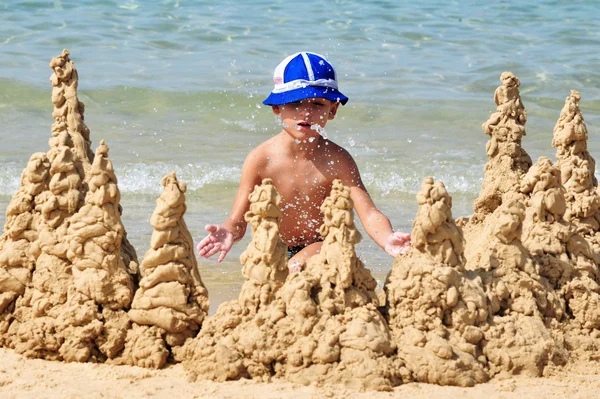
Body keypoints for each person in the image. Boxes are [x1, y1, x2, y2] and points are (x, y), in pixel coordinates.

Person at [197, 51, 411, 272]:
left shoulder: (337, 160)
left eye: (317, 104)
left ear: (333, 110)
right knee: (269, 279)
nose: (306, 112)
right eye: (295, 103)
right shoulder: (261, 159)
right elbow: (239, 220)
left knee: (297, 266)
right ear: (277, 107)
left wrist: (387, 238)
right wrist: (228, 231)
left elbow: (369, 213)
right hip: (275, 249)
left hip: (323, 247)